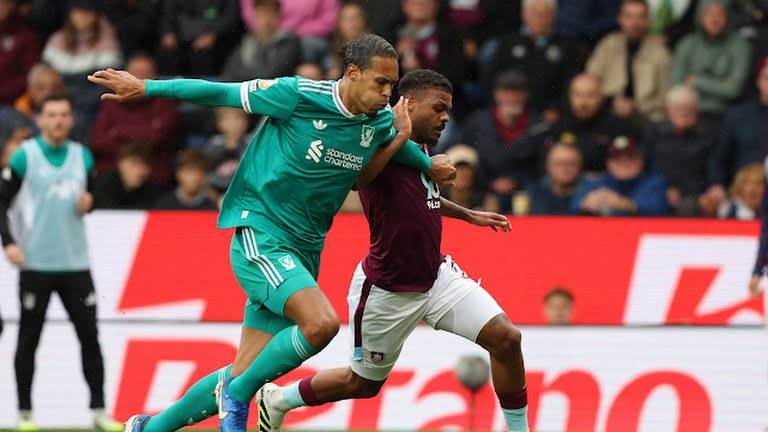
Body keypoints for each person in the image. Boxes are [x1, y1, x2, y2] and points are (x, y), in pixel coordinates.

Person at [88, 33, 456, 432]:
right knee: (321, 324)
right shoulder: (297, 95)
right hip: (262, 234)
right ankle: (238, 395)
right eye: (380, 82)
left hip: (306, 248)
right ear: (352, 73)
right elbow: (221, 93)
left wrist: (432, 169)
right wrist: (147, 87)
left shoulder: (380, 123)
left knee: (244, 368)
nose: (387, 94)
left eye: (392, 84)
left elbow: (400, 156)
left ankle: (148, 428)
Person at [256, 69, 529, 432]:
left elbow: (422, 197)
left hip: (435, 277)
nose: (445, 118)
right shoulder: (378, 138)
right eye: (438, 108)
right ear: (408, 104)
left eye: (448, 110)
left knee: (507, 339)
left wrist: (468, 214)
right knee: (362, 384)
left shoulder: (420, 145)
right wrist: (400, 135)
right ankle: (279, 399)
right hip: (387, 289)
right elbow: (360, 179)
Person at [0, 94, 121, 431]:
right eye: (51, 115)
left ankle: (99, 412)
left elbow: (92, 197)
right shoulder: (25, 156)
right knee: (29, 339)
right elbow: (1, 202)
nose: (58, 121)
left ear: (71, 120)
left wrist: (89, 203)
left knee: (90, 338)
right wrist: (9, 242)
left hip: (75, 264)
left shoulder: (82, 156)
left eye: (64, 115)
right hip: (36, 263)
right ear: (39, 120)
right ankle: (25, 414)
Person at [460, 71, 546, 213]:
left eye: (517, 92)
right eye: (506, 92)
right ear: (496, 94)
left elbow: (541, 166)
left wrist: (515, 181)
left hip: (526, 191)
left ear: (525, 95)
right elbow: (465, 155)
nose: (511, 98)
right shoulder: (477, 122)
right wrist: (489, 183)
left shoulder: (538, 125)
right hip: (481, 188)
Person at [89, 53, 179, 185]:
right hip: (112, 173)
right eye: (135, 74)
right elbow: (98, 142)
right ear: (125, 76)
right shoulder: (111, 100)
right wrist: (128, 159)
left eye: (145, 74)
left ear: (155, 77)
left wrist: (119, 132)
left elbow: (157, 137)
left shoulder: (165, 102)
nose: (138, 79)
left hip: (153, 176)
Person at [486, 0, 578, 117]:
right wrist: (501, 106)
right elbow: (492, 79)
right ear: (524, 15)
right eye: (534, 13)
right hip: (509, 109)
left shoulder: (567, 47)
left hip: (548, 115)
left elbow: (571, 83)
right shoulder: (507, 43)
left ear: (554, 16)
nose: (539, 18)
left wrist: (557, 108)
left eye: (545, 14)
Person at [586, 0, 671, 123]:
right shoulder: (608, 44)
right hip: (607, 110)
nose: (634, 23)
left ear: (649, 20)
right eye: (629, 16)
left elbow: (665, 96)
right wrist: (611, 101)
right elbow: (591, 79)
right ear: (619, 19)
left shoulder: (661, 53)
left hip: (646, 117)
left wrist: (635, 106)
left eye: (640, 17)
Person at [670, 0, 751, 122]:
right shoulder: (687, 43)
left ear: (728, 17)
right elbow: (675, 85)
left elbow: (733, 90)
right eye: (709, 14)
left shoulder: (740, 46)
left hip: (724, 115)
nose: (714, 20)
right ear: (699, 16)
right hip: (688, 113)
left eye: (719, 15)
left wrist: (695, 81)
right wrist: (721, 85)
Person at [705, 57, 768, 212]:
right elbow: (720, 156)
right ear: (758, 81)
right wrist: (717, 184)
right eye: (767, 78)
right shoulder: (738, 116)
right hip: (741, 192)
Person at [644, 85, 714, 216]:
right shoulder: (654, 132)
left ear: (697, 110)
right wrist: (665, 188)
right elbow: (646, 165)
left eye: (688, 108)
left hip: (695, 193)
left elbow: (712, 168)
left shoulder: (708, 135)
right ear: (667, 110)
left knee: (689, 207)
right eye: (678, 108)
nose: (684, 112)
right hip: (657, 189)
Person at [546, 73, 634, 173]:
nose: (583, 102)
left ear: (601, 97)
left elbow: (626, 166)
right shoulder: (559, 126)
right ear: (570, 96)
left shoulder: (618, 127)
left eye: (590, 95)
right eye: (578, 95)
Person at [572, 136, 668, 216]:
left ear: (641, 160)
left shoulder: (654, 182)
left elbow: (658, 208)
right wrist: (585, 204)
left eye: (630, 157)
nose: (624, 163)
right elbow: (572, 208)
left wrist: (624, 204)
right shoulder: (598, 182)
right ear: (608, 163)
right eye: (617, 158)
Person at [221, 0, 303, 83]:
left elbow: (270, 75)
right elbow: (229, 74)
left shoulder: (289, 41)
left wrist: (242, 76)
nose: (266, 21)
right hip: (246, 88)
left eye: (271, 15)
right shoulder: (247, 41)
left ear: (279, 17)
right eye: (261, 16)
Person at [157, 0, 240, 76]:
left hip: (215, 37)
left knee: (201, 56)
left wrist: (213, 34)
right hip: (180, 36)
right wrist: (168, 32)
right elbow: (167, 13)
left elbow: (230, 16)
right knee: (167, 54)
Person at [92, 143, 158, 210]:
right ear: (120, 163)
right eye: (135, 163)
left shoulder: (152, 192)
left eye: (146, 165)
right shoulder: (102, 184)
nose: (141, 170)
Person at [529, 138, 584, 215]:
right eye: (559, 163)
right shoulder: (533, 194)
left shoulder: (591, 192)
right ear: (548, 166)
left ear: (580, 166)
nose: (565, 168)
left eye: (571, 163)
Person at [204, 107, 252, 196]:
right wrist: (216, 198)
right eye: (231, 119)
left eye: (241, 119)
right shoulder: (213, 145)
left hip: (243, 194)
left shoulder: (251, 144)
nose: (237, 124)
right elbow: (204, 176)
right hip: (217, 194)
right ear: (220, 124)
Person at [0, 0, 40, 106]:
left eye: (3, 3)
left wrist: (3, 92)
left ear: (12, 5)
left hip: (10, 103)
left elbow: (30, 75)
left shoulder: (25, 36)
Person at [325, 1, 369, 79]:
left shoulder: (373, 46)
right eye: (348, 19)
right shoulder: (330, 45)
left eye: (356, 18)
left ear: (363, 21)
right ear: (339, 23)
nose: (352, 23)